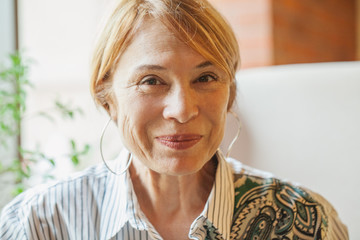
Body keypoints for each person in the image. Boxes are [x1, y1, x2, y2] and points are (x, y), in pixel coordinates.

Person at [0, 0, 348, 239]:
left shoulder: (306, 221)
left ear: (231, 92)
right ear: (107, 98)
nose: (182, 109)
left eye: (206, 77)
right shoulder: (38, 224)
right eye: (152, 81)